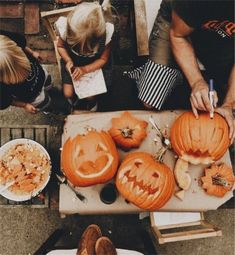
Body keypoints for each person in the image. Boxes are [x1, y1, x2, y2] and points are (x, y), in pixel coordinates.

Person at [170, 0, 235, 141]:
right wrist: (197, 82)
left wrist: (229, 104)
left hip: (220, 32)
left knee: (219, 70)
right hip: (179, 23)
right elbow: (177, 35)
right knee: (150, 98)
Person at [55, 0, 116, 111]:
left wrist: (85, 69)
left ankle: (92, 104)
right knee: (67, 93)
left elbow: (103, 59)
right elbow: (60, 47)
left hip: (94, 65)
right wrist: (68, 60)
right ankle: (71, 103)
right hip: (73, 62)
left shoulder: (106, 33)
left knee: (90, 96)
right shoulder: (64, 28)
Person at [0, 31, 53, 113]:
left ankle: (49, 87)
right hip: (33, 97)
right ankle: (48, 107)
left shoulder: (6, 39)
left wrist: (31, 52)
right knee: (44, 102)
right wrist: (24, 105)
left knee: (48, 81)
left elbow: (21, 44)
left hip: (41, 73)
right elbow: (6, 100)